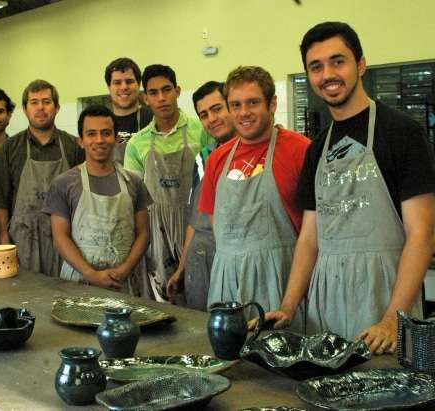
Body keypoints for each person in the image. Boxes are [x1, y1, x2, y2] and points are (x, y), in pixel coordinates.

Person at [264, 22, 435, 353]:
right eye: (316, 67)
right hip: (325, 300)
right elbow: (310, 238)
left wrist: (394, 319)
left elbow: (421, 236)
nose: (328, 73)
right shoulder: (317, 148)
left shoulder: (403, 133)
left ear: (360, 64)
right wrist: (289, 305)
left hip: (384, 294)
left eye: (338, 61)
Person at [199, 66, 310, 329]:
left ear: (272, 104)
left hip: (281, 281)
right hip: (227, 282)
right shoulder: (217, 159)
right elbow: (217, 223)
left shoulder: (300, 150)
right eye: (235, 105)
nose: (243, 112)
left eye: (253, 103)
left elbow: (315, 231)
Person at [124, 64, 213, 301]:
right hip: (156, 229)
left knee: (199, 291)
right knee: (162, 298)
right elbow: (133, 199)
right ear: (145, 98)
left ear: (178, 91)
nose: (161, 98)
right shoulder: (137, 143)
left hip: (195, 222)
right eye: (153, 93)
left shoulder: (201, 130)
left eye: (167, 90)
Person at [43, 105, 151, 293]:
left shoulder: (134, 182)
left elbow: (143, 234)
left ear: (117, 139)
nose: (99, 140)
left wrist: (123, 271)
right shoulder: (63, 183)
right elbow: (60, 238)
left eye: (106, 133)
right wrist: (90, 273)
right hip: (78, 283)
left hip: (124, 283)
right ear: (81, 141)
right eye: (91, 134)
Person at [0, 80, 84, 277]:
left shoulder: (73, 146)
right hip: (23, 239)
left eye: (46, 101)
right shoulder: (9, 148)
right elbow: (1, 199)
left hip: (67, 239)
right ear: (25, 109)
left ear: (57, 107)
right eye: (34, 102)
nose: (40, 107)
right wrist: (4, 239)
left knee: (65, 297)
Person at [166, 81, 235, 310]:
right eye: (204, 114)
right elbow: (194, 221)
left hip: (234, 261)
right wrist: (182, 268)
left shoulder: (254, 154)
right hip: (200, 262)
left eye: (217, 109)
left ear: (232, 106)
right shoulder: (203, 159)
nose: (212, 119)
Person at [104, 57, 153, 163]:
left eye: (129, 81)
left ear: (139, 85)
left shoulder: (154, 119)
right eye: (117, 83)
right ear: (109, 87)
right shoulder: (102, 122)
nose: (124, 87)